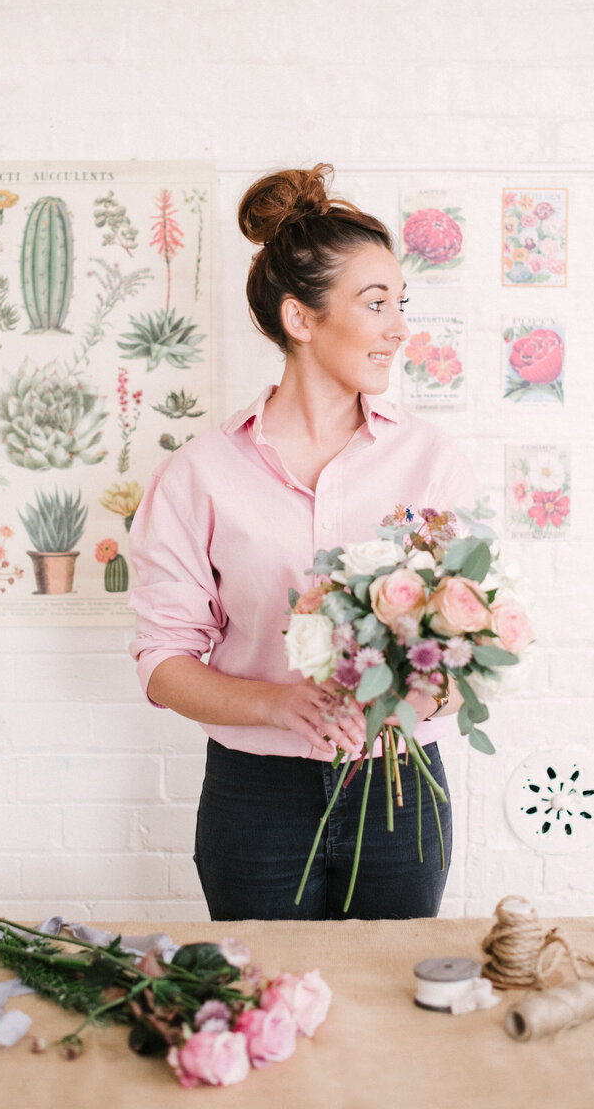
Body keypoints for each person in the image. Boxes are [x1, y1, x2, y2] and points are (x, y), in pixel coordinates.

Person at [128, 164, 477, 921]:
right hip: (257, 800)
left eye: (401, 304)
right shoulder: (200, 475)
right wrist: (279, 705)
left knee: (393, 1013)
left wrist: (441, 670)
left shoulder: (432, 461)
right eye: (377, 303)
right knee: (265, 1008)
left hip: (401, 788)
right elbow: (163, 664)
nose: (400, 327)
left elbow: (466, 631)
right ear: (301, 318)